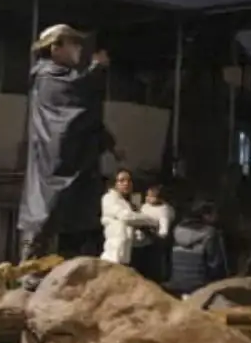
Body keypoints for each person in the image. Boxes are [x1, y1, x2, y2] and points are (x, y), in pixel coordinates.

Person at [19, 25, 113, 262]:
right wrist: (96, 71)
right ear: (55, 47)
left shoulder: (57, 75)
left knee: (68, 213)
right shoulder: (47, 75)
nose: (78, 49)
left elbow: (84, 110)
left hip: (65, 158)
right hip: (52, 160)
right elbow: (76, 98)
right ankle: (30, 263)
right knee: (45, 212)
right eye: (73, 43)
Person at [167, 201, 229, 294]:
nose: (217, 217)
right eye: (215, 213)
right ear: (206, 215)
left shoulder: (177, 229)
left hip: (176, 282)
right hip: (200, 285)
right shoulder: (210, 233)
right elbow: (215, 263)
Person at [100, 170, 159, 266]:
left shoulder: (130, 201)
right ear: (114, 184)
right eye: (121, 180)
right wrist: (152, 220)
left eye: (129, 180)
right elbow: (126, 216)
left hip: (132, 251)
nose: (126, 183)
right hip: (116, 255)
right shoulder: (109, 198)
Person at [131, 180, 177, 281]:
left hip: (154, 243)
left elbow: (163, 232)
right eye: (147, 195)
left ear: (160, 198)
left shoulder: (163, 211)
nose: (148, 198)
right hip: (140, 241)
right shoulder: (145, 206)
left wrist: (151, 231)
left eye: (152, 196)